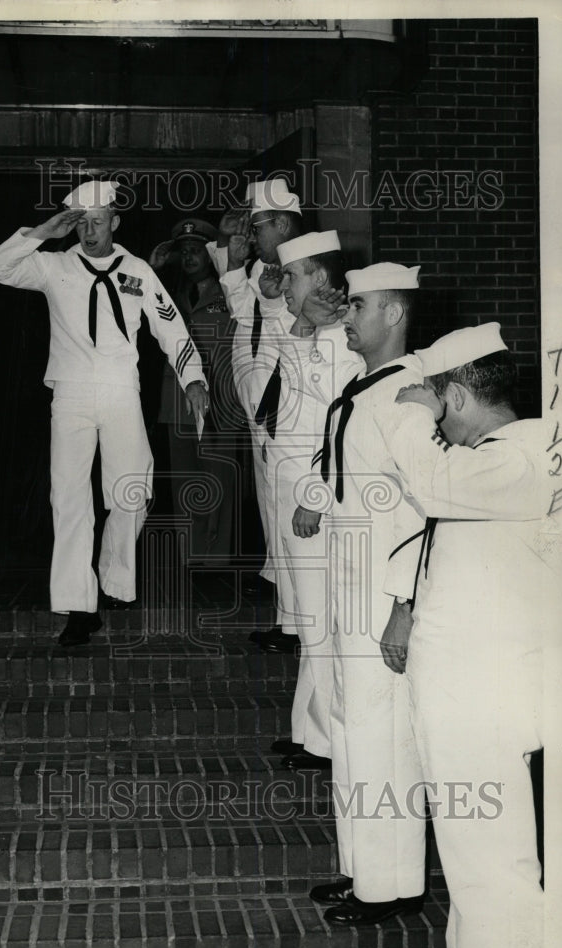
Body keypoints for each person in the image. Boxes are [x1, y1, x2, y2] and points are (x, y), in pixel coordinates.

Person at [386, 323, 562, 948]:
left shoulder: (519, 456)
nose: (436, 424)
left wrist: (409, 414)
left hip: (481, 695)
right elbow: (447, 526)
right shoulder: (500, 456)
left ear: (455, 397)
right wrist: (408, 605)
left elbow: (433, 482)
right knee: (475, 868)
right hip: (474, 684)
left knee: (490, 872)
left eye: (438, 406)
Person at [0, 180, 209, 646]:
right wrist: (42, 231)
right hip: (70, 394)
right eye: (81, 223)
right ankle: (77, 606)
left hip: (121, 391)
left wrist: (194, 380)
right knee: (69, 499)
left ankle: (116, 580)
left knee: (132, 490)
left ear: (115, 222)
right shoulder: (52, 266)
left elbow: (173, 330)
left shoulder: (139, 271)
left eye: (98, 222)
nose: (89, 232)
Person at [295, 262, 429, 924]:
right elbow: (336, 459)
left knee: (383, 736)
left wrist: (402, 608)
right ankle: (364, 871)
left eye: (360, 305)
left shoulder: (409, 397)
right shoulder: (361, 386)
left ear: (393, 315)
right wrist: (313, 501)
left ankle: (392, 886)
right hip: (346, 579)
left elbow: (425, 508)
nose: (347, 315)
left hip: (381, 589)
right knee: (352, 731)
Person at [267, 231, 364, 767]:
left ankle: (329, 743)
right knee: (309, 621)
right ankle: (309, 730)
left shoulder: (343, 347)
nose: (285, 285)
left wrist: (314, 496)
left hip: (314, 498)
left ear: (322, 281)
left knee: (321, 623)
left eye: (296, 275)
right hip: (292, 491)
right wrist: (302, 325)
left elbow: (334, 437)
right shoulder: (309, 335)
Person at [220, 179, 303, 657]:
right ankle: (286, 619)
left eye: (258, 227)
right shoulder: (264, 269)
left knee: (290, 521)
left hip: (286, 413)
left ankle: (296, 626)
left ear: (283, 224)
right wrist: (236, 263)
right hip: (260, 414)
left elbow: (294, 336)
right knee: (274, 520)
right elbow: (241, 309)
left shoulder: (302, 270)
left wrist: (271, 301)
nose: (253, 236)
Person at [150, 218, 238, 563]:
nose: (189, 257)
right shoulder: (170, 295)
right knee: (185, 480)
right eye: (183, 251)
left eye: (196, 250)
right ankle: (192, 554)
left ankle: (217, 556)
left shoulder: (230, 291)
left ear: (210, 253)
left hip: (219, 399)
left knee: (220, 479)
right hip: (178, 402)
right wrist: (153, 271)